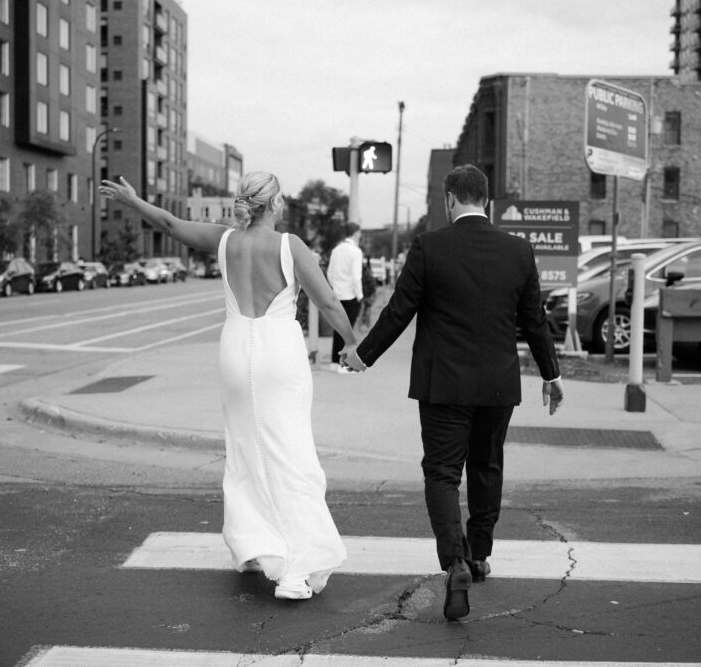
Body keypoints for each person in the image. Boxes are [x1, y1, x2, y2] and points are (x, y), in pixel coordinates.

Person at [99, 173, 353, 601]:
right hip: (278, 352)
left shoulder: (225, 241)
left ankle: (255, 547)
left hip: (235, 349)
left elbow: (169, 225)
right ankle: (296, 569)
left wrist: (134, 200)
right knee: (290, 454)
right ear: (273, 204)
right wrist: (352, 343)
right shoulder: (290, 246)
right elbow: (327, 301)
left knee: (244, 450)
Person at [340, 164, 565, 621]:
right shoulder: (518, 252)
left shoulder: (430, 247)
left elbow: (399, 310)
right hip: (499, 385)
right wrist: (551, 374)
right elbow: (534, 321)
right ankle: (479, 554)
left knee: (442, 474)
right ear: (486, 201)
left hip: (443, 385)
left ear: (449, 200)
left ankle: (455, 560)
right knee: (487, 466)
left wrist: (364, 355)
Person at [326, 221, 364, 372]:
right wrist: (360, 295)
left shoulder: (336, 250)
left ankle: (334, 362)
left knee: (338, 329)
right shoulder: (355, 251)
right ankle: (344, 365)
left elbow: (329, 273)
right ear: (355, 234)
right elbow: (356, 276)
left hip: (337, 294)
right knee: (348, 332)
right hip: (351, 295)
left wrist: (335, 286)